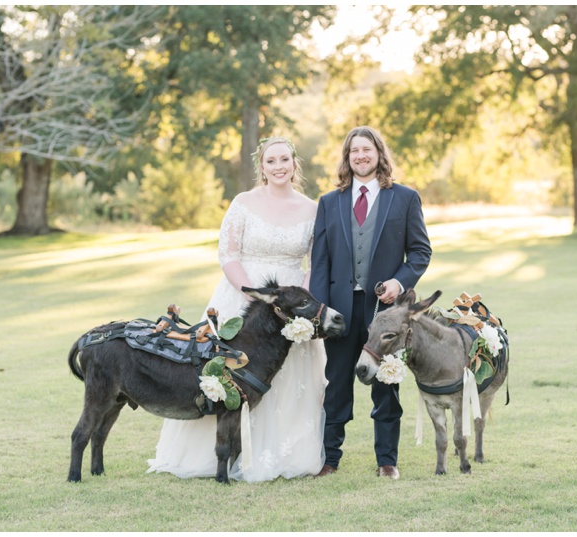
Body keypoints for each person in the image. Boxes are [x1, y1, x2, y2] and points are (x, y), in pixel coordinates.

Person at [147, 136, 327, 482]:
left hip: (291, 305)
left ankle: (280, 454)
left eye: (284, 160)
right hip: (241, 297)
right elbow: (227, 253)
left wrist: (300, 302)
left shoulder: (311, 209)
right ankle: (218, 453)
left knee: (290, 377)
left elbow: (313, 263)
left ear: (294, 164)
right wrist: (251, 294)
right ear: (262, 166)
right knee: (229, 371)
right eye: (271, 161)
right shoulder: (244, 203)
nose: (278, 167)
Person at [310, 125, 432, 480]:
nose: (360, 156)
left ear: (379, 154)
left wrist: (399, 281)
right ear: (347, 158)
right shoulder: (329, 203)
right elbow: (320, 262)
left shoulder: (405, 198)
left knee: (386, 385)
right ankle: (329, 459)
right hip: (340, 312)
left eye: (367, 149)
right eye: (354, 151)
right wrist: (320, 312)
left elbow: (421, 252)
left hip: (385, 315)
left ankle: (386, 461)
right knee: (336, 385)